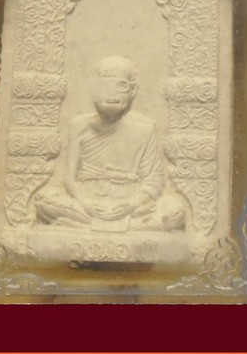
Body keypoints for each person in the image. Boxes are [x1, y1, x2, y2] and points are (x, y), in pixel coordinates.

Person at [36, 56, 185, 232]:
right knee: (43, 200)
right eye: (105, 85)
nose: (111, 94)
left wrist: (131, 204)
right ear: (94, 88)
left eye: (121, 86)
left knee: (175, 211)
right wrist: (85, 203)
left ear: (133, 91)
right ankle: (129, 227)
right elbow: (69, 180)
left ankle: (83, 225)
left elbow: (153, 180)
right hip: (88, 201)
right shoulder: (80, 125)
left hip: (130, 203)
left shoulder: (144, 129)